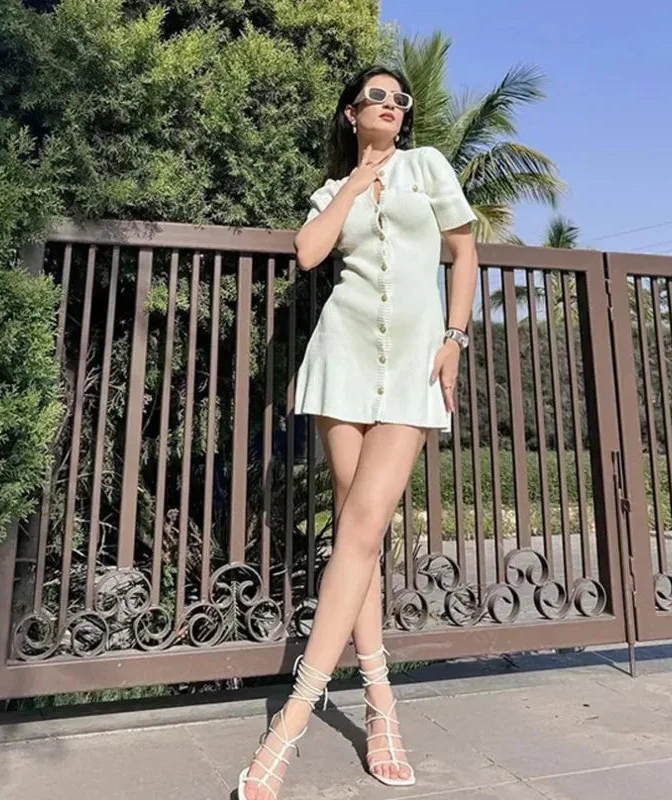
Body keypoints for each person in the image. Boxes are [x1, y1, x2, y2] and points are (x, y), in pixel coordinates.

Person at [238, 65, 479, 800]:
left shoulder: (428, 167)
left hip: (412, 368)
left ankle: (293, 718)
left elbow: (464, 251)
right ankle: (381, 704)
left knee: (364, 525)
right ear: (352, 112)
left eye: (400, 100)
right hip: (340, 362)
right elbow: (310, 252)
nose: (392, 105)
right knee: (357, 537)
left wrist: (455, 338)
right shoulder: (331, 190)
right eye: (378, 96)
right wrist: (355, 182)